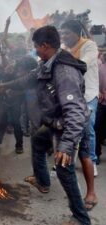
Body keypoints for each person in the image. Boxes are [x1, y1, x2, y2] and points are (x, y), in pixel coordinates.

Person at [0, 26, 91, 225]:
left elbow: (75, 112)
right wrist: (6, 85)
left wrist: (66, 145)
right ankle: (43, 181)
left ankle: (81, 218)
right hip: (54, 123)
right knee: (37, 141)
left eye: (36, 46)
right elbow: (29, 79)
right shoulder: (47, 63)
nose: (35, 50)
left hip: (67, 126)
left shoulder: (64, 72)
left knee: (64, 169)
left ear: (45, 46)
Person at [61, 20, 100, 177]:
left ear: (77, 34)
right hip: (71, 95)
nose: (64, 36)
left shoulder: (89, 45)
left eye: (67, 33)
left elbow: (82, 64)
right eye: (62, 33)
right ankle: (68, 160)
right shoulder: (65, 49)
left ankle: (92, 160)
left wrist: (62, 60)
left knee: (87, 128)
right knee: (69, 128)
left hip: (89, 94)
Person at [95, 51, 106, 165]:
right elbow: (95, 85)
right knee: (98, 131)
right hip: (102, 104)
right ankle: (96, 154)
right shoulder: (100, 68)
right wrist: (98, 92)